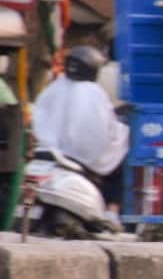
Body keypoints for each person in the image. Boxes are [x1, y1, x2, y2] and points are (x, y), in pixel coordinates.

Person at [31, 45, 130, 224]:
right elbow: (104, 129)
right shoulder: (94, 93)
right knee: (120, 153)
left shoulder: (54, 88)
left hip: (51, 151)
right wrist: (121, 130)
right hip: (81, 156)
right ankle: (111, 211)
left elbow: (40, 118)